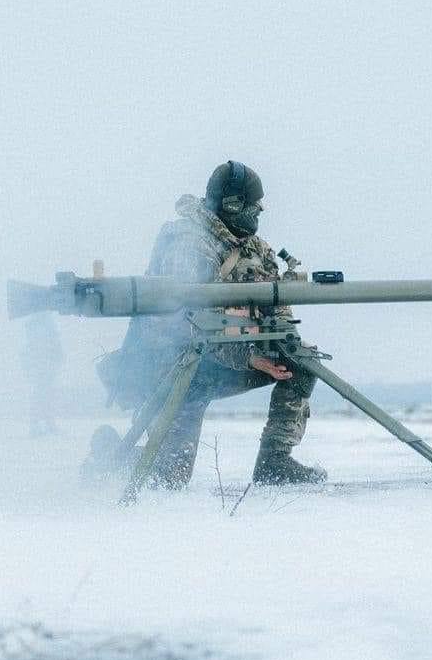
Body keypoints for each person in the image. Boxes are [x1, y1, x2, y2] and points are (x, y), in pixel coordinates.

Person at [105, 161, 326, 487]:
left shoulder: (255, 248)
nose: (259, 211)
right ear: (231, 205)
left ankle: (275, 463)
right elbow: (186, 325)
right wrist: (250, 357)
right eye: (251, 205)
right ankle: (107, 456)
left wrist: (282, 342)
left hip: (224, 362)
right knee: (168, 478)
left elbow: (276, 306)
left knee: (303, 361)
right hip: (175, 368)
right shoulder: (187, 245)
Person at [20, 312, 64, 435]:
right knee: (43, 395)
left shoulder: (35, 325)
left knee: (43, 395)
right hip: (42, 366)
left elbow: (29, 348)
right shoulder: (42, 325)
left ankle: (41, 424)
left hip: (42, 366)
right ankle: (42, 424)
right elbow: (54, 346)